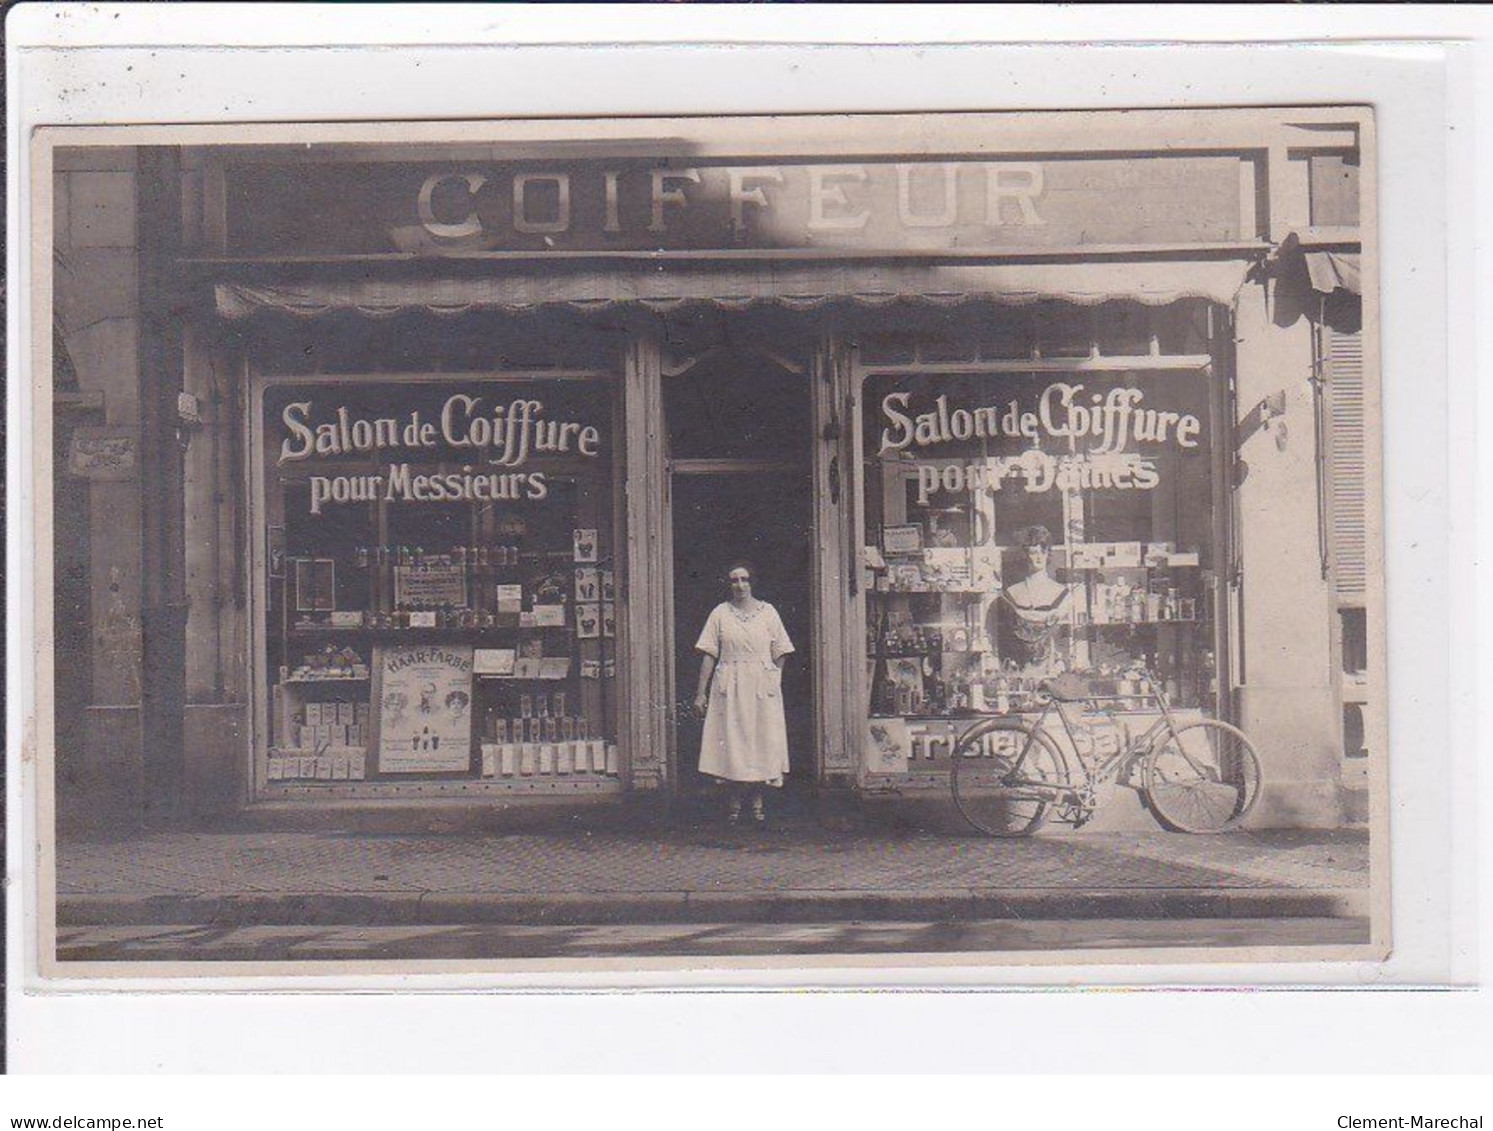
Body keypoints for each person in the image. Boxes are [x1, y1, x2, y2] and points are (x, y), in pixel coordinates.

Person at [692, 561, 794, 826]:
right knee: (734, 742)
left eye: (744, 579)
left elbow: (781, 650)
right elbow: (708, 655)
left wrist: (773, 678)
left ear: (752, 582)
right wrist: (700, 693)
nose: (739, 585)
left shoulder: (768, 612)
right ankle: (734, 802)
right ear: (728, 585)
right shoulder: (720, 614)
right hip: (730, 686)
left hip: (761, 687)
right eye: (734, 580)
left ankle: (758, 801)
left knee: (760, 742)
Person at [997, 525, 1072, 672]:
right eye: (1034, 552)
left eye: (1043, 551)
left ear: (1048, 554)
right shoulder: (1012, 594)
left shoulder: (1062, 594)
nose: (1039, 557)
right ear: (1026, 555)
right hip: (1020, 668)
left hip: (1052, 666)